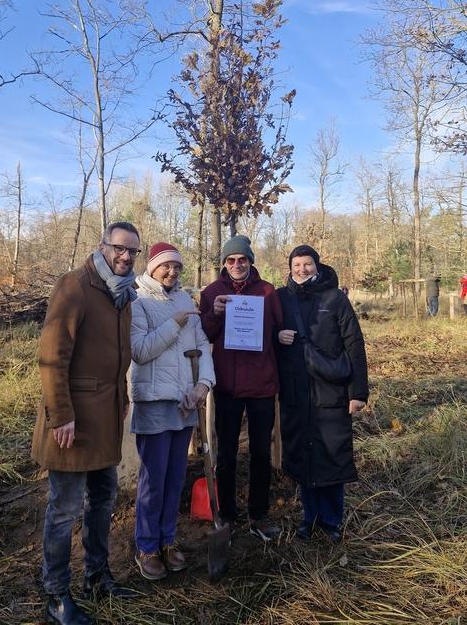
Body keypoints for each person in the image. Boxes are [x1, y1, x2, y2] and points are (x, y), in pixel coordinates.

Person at [31, 222, 141, 625]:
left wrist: (124, 397)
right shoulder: (75, 285)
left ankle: (98, 576)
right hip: (72, 423)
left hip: (107, 416)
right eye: (119, 248)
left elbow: (118, 356)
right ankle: (56, 594)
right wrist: (61, 414)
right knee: (64, 509)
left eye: (133, 251)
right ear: (103, 247)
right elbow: (52, 356)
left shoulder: (122, 293)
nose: (126, 256)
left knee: (103, 500)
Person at [130, 242, 216, 580]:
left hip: (184, 403)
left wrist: (203, 386)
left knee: (175, 477)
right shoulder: (138, 300)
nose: (172, 272)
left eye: (177, 267)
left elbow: (202, 346)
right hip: (154, 403)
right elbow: (139, 351)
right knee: (154, 478)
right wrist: (175, 324)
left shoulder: (184, 299)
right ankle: (147, 547)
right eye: (166, 266)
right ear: (152, 267)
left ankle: (168, 541)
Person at [276, 245, 368, 543]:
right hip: (297, 393)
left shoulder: (335, 298)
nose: (302, 269)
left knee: (332, 453)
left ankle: (331, 520)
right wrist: (278, 337)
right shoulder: (282, 298)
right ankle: (309, 518)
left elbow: (354, 344)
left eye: (307, 264)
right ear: (290, 268)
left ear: (318, 266)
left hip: (332, 391)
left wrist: (358, 392)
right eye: (297, 264)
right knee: (304, 455)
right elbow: (267, 336)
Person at [200, 235, 283, 542]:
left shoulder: (266, 291)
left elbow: (277, 330)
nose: (237, 265)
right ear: (224, 263)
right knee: (227, 453)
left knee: (261, 452)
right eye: (231, 260)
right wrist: (215, 313)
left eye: (242, 260)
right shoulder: (211, 293)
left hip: (261, 384)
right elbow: (204, 334)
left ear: (251, 261)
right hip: (228, 387)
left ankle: (258, 514)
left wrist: (284, 336)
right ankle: (227, 515)